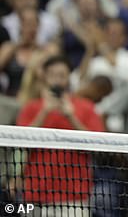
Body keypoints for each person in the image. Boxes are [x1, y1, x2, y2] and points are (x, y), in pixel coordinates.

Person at [16, 55, 105, 216]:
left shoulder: (85, 107)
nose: (57, 80)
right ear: (44, 77)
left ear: (69, 77)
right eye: (52, 75)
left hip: (74, 198)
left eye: (62, 75)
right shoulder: (31, 107)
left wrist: (71, 116)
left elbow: (98, 145)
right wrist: (44, 111)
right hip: (35, 196)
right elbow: (21, 142)